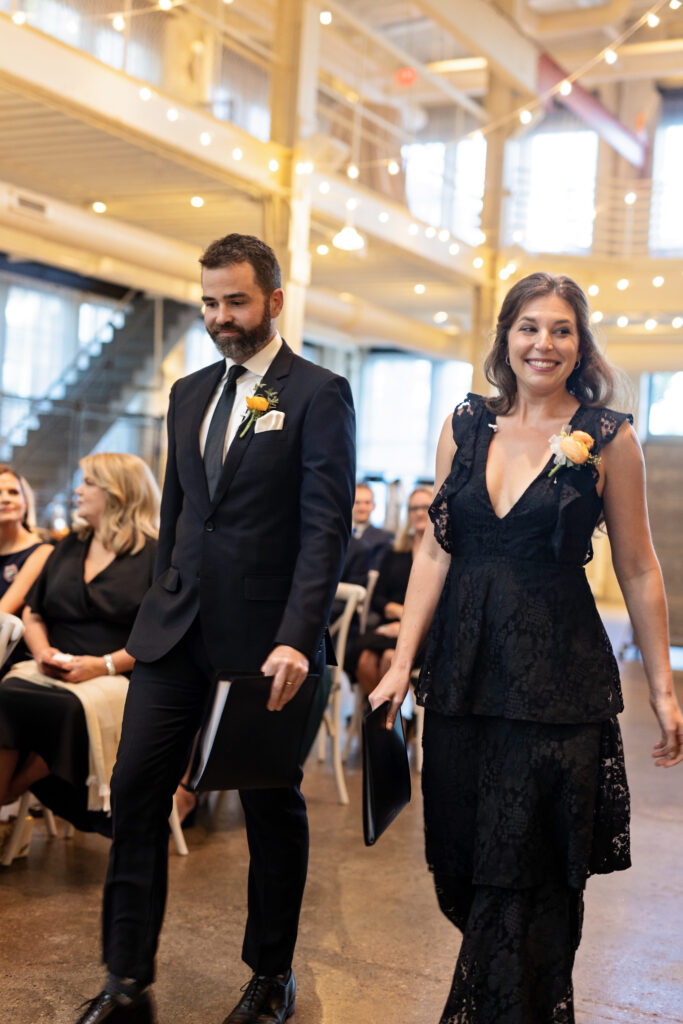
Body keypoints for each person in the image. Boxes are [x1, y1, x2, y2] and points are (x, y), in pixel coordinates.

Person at [370, 271, 683, 1024]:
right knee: (461, 860)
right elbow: (435, 555)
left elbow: (639, 568)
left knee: (528, 867)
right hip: (463, 675)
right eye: (529, 327)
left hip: (557, 684)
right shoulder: (463, 425)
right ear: (505, 336)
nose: (543, 343)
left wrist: (663, 688)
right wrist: (401, 662)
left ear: (580, 344)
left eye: (560, 329)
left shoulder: (609, 438)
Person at [75, 233, 355, 1024]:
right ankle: (126, 980)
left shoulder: (317, 393)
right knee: (134, 791)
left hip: (268, 645)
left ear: (272, 300)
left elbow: (323, 526)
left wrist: (298, 635)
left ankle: (271, 975)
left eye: (235, 301)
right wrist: (149, 617)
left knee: (269, 803)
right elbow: (184, 513)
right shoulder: (190, 392)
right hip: (175, 634)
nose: (220, 317)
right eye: (208, 302)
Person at [0, 452, 159, 835]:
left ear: (116, 492)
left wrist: (100, 665)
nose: (77, 490)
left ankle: (9, 792)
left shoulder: (155, 554)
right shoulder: (71, 545)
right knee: (5, 693)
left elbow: (161, 637)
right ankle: (6, 794)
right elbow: (34, 614)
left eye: (87, 482)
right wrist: (41, 653)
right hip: (51, 665)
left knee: (56, 707)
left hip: (119, 673)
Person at [354, 487, 431, 696]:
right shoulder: (395, 553)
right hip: (390, 625)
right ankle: (387, 722)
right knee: (364, 660)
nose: (419, 513)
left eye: (425, 507)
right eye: (414, 508)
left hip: (426, 632)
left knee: (390, 657)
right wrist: (395, 612)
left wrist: (407, 622)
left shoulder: (443, 558)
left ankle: (390, 723)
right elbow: (377, 597)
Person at [0, 466, 53, 666]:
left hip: (11, 655)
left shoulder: (41, 551)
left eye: (13, 492)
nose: (6, 499)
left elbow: (3, 612)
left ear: (25, 501)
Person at [352, 482, 394, 570]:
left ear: (373, 506)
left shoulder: (384, 538)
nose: (362, 507)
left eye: (367, 503)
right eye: (357, 502)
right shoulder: (339, 534)